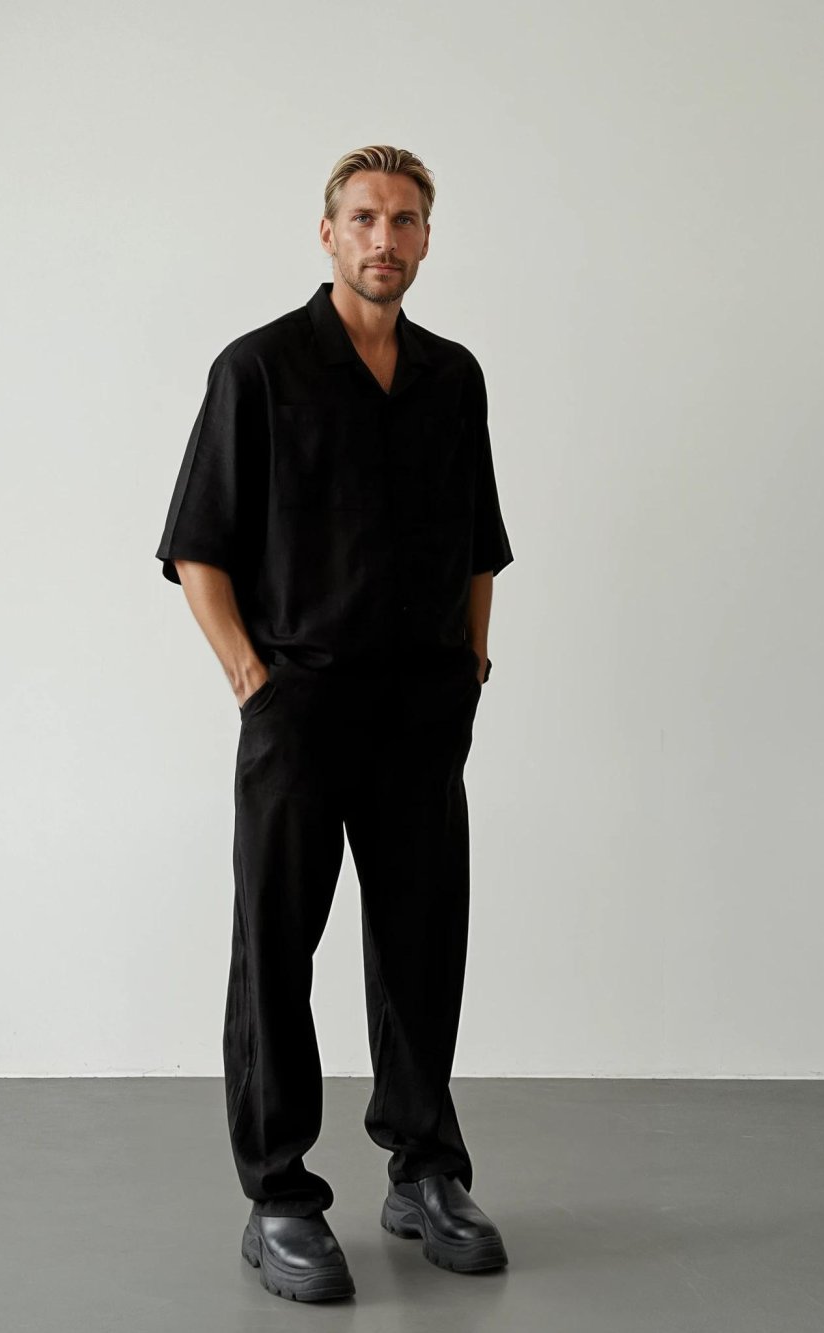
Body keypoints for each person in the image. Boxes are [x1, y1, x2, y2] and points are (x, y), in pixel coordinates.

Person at [155, 144, 514, 1303]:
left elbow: (478, 543)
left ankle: (426, 1170)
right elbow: (199, 546)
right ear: (327, 233)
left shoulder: (452, 378)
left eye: (404, 220)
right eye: (364, 217)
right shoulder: (258, 369)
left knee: (422, 946)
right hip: (300, 707)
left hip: (423, 711)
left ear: (426, 239)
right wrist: (253, 680)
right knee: (276, 950)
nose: (384, 238)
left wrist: (471, 665)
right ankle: (278, 1194)